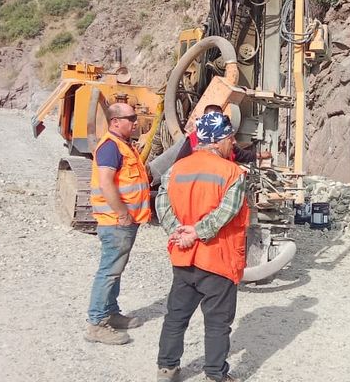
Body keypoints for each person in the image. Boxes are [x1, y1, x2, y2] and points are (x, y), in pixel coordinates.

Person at [156, 111, 248, 382]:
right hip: (217, 259)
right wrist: (197, 232)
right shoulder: (232, 172)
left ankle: (167, 368)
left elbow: (162, 204)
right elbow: (226, 213)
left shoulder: (176, 168)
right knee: (218, 323)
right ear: (219, 140)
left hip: (184, 258)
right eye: (230, 138)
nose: (233, 143)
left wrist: (180, 233)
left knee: (176, 317)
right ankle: (216, 375)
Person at [83, 102, 151, 345]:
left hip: (124, 221)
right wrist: (122, 213)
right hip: (116, 222)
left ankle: (111, 312)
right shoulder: (111, 147)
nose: (135, 122)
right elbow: (106, 184)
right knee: (109, 271)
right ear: (115, 122)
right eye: (131, 118)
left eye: (136, 117)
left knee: (116, 270)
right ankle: (97, 323)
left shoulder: (123, 146)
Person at [188, 105, 272, 163]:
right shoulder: (188, 142)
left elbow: (240, 154)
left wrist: (259, 155)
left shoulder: (227, 142)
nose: (234, 142)